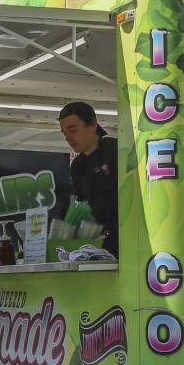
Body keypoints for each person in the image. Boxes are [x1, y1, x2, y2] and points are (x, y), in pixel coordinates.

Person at [58, 101, 119, 256]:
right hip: (106, 241)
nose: (68, 138)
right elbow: (82, 208)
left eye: (73, 130)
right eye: (64, 133)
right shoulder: (77, 167)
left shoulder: (115, 149)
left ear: (92, 124)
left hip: (133, 232)